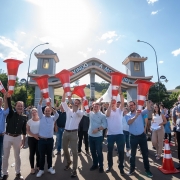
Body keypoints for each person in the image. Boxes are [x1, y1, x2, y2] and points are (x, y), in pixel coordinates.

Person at [125, 101, 153, 178]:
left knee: (145, 154)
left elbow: (148, 108)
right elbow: (129, 122)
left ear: (135, 105)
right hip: (133, 137)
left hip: (142, 136)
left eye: (132, 105)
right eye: (129, 105)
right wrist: (136, 116)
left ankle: (147, 170)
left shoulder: (141, 112)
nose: (131, 106)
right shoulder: (127, 115)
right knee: (132, 155)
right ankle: (132, 169)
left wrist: (146, 100)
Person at [2, 94, 27, 180]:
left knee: (17, 156)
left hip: (17, 138)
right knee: (6, 156)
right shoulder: (11, 113)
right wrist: (8, 95)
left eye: (21, 106)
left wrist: (24, 139)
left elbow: (24, 129)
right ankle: (5, 173)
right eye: (18, 106)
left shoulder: (24, 117)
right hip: (8, 136)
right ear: (15, 106)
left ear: (23, 107)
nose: (20, 107)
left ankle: (18, 172)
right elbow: (8, 103)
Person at [61, 92, 84, 178]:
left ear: (79, 104)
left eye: (78, 103)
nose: (76, 103)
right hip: (65, 132)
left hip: (74, 133)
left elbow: (77, 109)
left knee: (74, 152)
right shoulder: (68, 110)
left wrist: (71, 100)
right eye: (75, 102)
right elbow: (63, 102)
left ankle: (74, 169)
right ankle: (68, 162)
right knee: (65, 149)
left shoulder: (80, 113)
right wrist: (64, 93)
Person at [36, 95, 59, 178]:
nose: (47, 112)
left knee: (49, 155)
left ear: (50, 112)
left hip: (50, 140)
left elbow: (57, 114)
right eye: (46, 111)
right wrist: (42, 98)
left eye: (49, 111)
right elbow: (39, 107)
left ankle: (50, 167)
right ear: (44, 111)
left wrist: (50, 106)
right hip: (41, 140)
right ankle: (41, 169)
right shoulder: (41, 117)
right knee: (41, 156)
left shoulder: (53, 118)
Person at [105, 88, 125, 176]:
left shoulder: (120, 110)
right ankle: (110, 166)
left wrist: (120, 94)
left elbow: (123, 103)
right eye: (112, 103)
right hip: (110, 135)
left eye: (115, 103)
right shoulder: (107, 111)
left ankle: (121, 167)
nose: (113, 104)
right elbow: (107, 114)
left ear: (116, 104)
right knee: (109, 151)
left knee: (121, 151)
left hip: (120, 134)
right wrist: (110, 104)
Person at [86, 102, 107, 173]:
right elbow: (84, 112)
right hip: (90, 136)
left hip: (98, 137)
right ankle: (95, 164)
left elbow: (105, 125)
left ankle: (101, 166)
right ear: (93, 107)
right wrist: (84, 103)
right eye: (95, 106)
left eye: (97, 106)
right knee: (93, 151)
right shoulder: (90, 113)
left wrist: (97, 129)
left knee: (99, 152)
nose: (96, 107)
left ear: (100, 107)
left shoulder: (103, 116)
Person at [26, 108, 40, 174]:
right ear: (31, 114)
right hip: (31, 139)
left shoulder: (41, 120)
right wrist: (34, 135)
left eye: (35, 112)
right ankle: (32, 168)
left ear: (37, 112)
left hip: (39, 139)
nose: (34, 113)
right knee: (32, 154)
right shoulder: (29, 121)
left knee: (38, 153)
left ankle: (38, 166)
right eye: (32, 112)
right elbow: (27, 131)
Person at [0, 95, 9, 179]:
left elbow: (7, 111)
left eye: (0, 101)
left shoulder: (3, 111)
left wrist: (5, 98)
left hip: (1, 136)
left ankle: (0, 172)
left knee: (1, 155)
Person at [172, 94, 180, 169]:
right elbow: (174, 117)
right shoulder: (176, 108)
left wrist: (179, 114)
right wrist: (175, 124)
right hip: (178, 129)